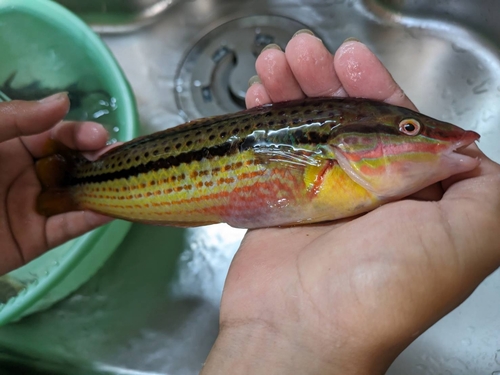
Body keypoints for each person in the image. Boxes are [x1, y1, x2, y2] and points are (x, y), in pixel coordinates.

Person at [0, 31, 498, 374]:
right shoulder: (332, 161)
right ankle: (71, 185)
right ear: (345, 143)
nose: (443, 141)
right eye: (410, 129)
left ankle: (69, 186)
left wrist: (298, 338)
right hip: (127, 179)